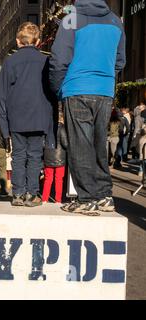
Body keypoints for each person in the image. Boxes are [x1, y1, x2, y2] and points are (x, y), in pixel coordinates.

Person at [49, 0, 126, 214]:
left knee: (80, 144)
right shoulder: (115, 21)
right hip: (104, 90)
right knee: (98, 142)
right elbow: (121, 61)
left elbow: (58, 60)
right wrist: (105, 75)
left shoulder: (71, 19)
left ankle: (86, 198)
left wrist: (59, 89)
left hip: (77, 88)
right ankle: (104, 195)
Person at [0, 22, 54, 207]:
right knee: (35, 156)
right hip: (39, 117)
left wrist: (4, 129)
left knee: (18, 156)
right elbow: (52, 93)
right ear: (38, 41)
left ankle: (17, 194)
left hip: (17, 118)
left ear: (17, 41)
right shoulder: (46, 61)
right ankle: (32, 194)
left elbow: (2, 97)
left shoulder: (10, 62)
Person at [42, 113, 67, 204]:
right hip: (60, 158)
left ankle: (44, 199)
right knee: (59, 179)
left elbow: (42, 143)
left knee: (48, 178)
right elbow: (65, 143)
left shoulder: (46, 127)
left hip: (48, 156)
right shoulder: (62, 128)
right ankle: (58, 200)